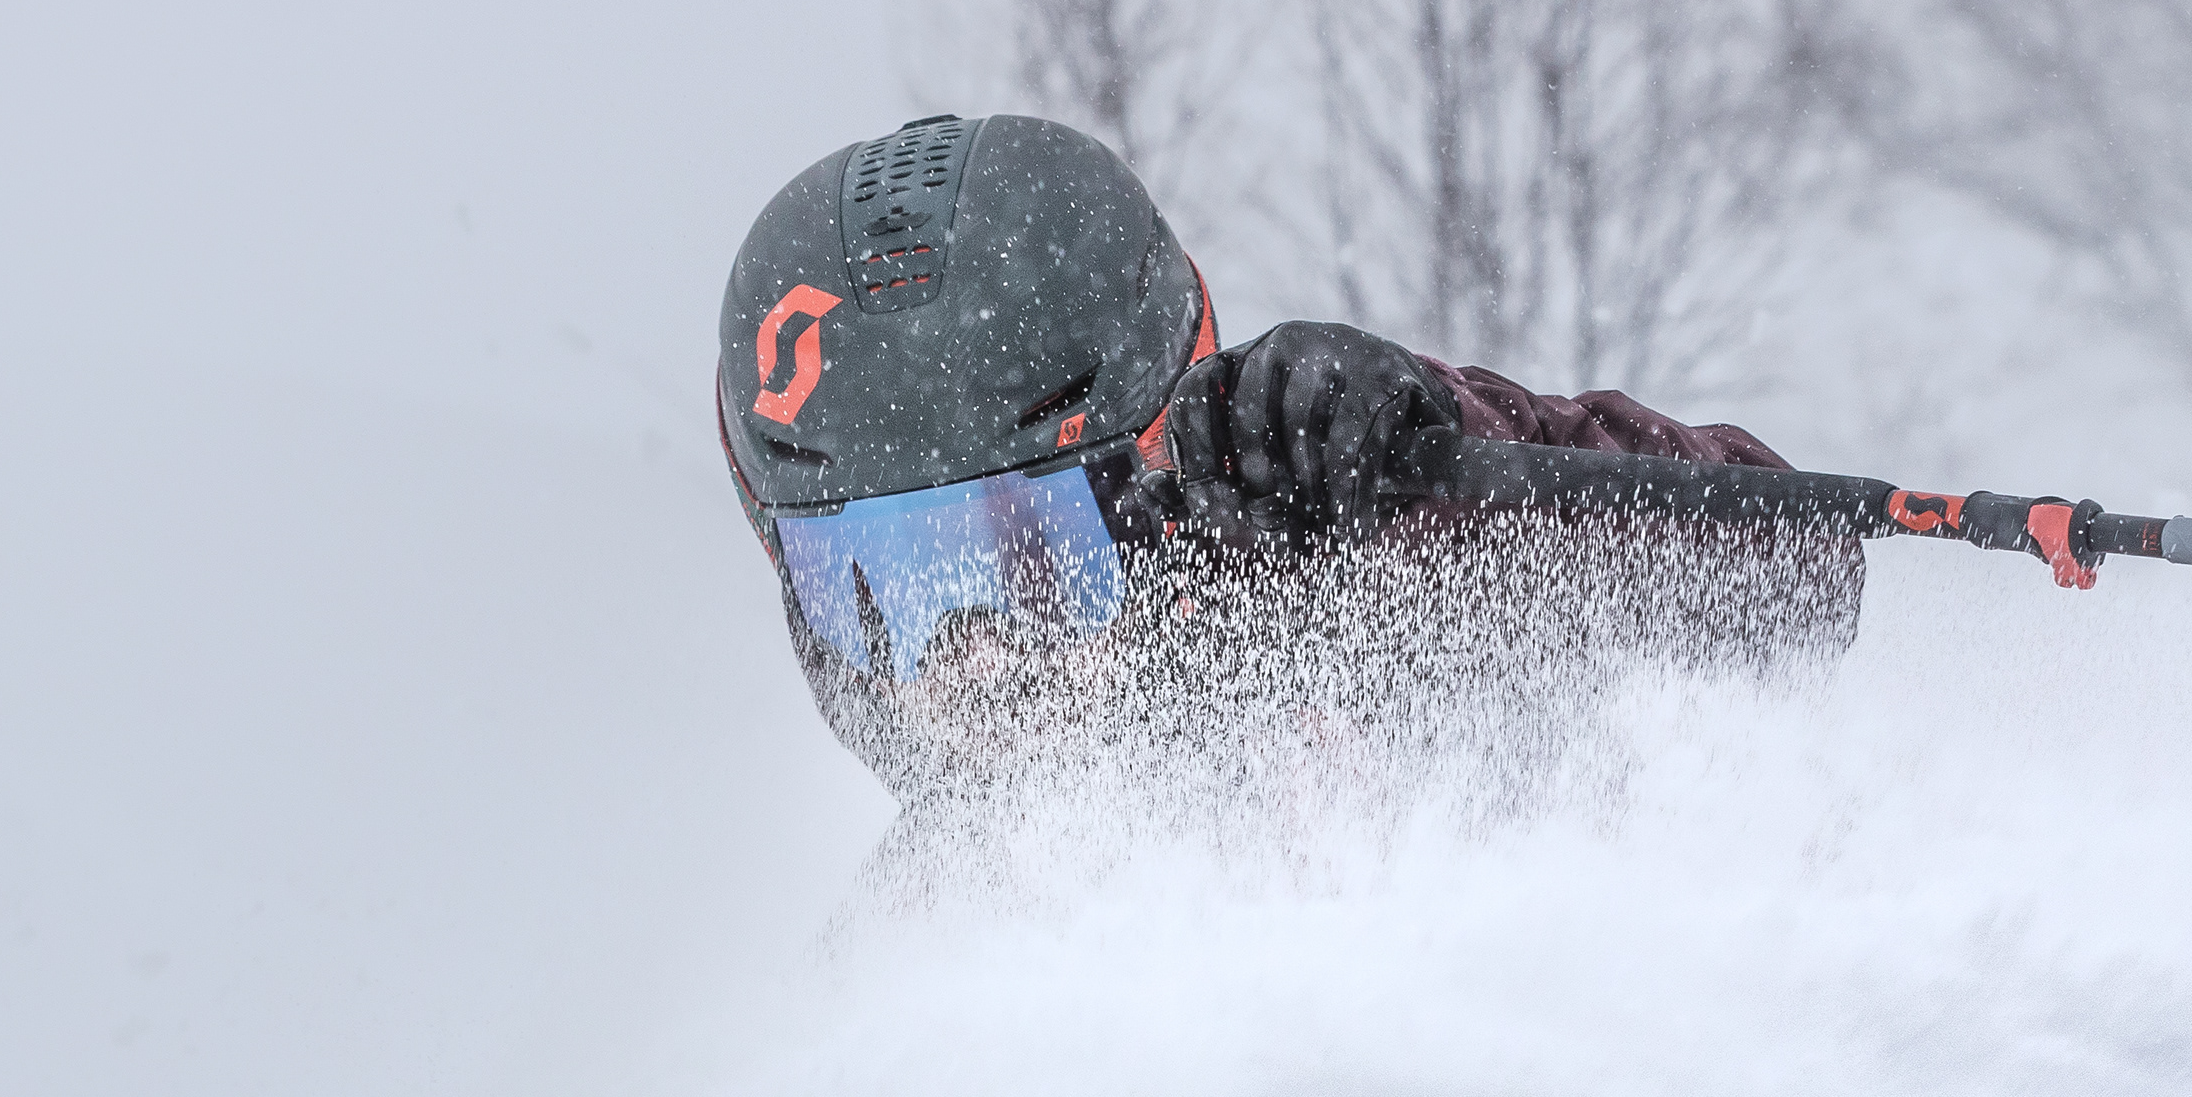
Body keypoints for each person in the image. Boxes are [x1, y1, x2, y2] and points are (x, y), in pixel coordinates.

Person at [718, 112, 1865, 805]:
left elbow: (1796, 576)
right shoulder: (916, 955)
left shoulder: (1355, 623)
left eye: (1035, 558)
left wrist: (1450, 455)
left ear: (1160, 487)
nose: (972, 664)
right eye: (874, 592)